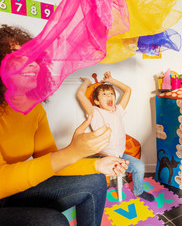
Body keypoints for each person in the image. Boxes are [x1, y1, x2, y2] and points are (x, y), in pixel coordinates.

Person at [0, 25, 129, 226]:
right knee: (54, 221)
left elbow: (50, 160)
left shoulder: (34, 110)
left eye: (34, 58)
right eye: (17, 56)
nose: (32, 64)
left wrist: (95, 164)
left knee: (96, 178)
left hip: (18, 192)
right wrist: (72, 152)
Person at [77, 71, 155, 202]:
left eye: (111, 93)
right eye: (104, 94)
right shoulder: (94, 112)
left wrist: (111, 80)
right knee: (97, 179)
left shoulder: (118, 111)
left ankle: (138, 191)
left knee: (139, 166)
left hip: (119, 155)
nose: (109, 96)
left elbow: (128, 90)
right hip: (104, 156)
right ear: (96, 101)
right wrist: (87, 82)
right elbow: (80, 94)